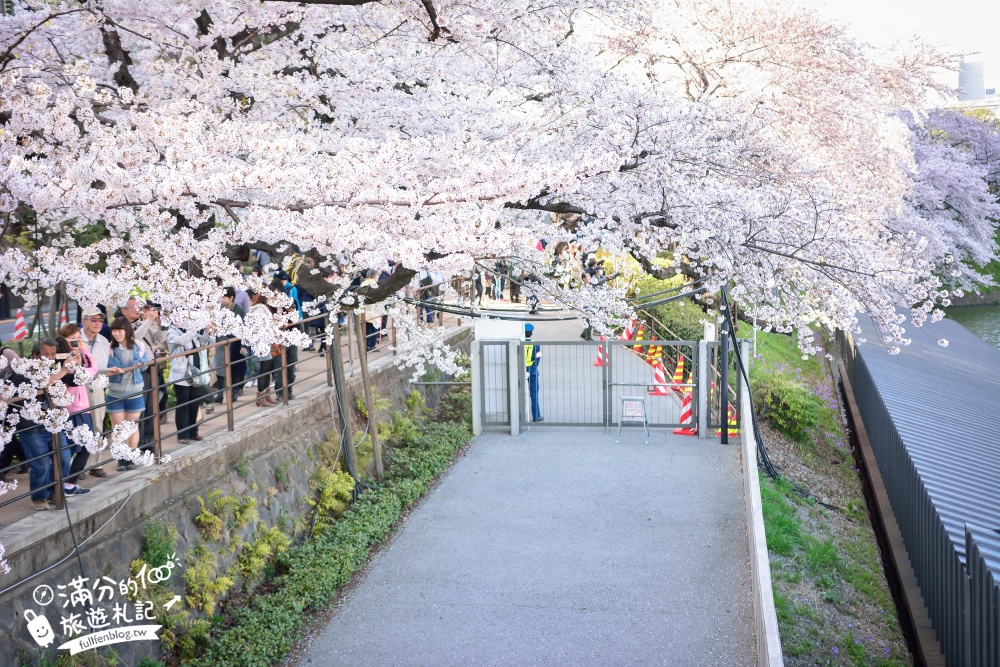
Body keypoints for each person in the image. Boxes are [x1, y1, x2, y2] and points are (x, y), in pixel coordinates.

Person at [13, 338, 91, 510]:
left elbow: (75, 380)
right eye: (45, 354)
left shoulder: (56, 367)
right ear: (35, 355)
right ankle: (39, 497)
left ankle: (54, 491)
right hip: (31, 425)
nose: (50, 358)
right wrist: (63, 369)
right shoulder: (23, 369)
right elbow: (43, 383)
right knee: (41, 464)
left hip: (54, 420)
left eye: (53, 354)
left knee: (63, 458)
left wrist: (77, 365)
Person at [105, 316, 153, 470]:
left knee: (132, 426)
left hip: (135, 391)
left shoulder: (138, 346)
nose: (116, 333)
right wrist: (134, 364)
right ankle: (120, 457)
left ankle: (131, 456)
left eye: (119, 330)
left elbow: (144, 365)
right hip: (115, 392)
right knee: (118, 427)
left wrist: (139, 363)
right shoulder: (110, 349)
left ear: (127, 330)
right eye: (114, 330)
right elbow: (109, 366)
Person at [57, 327, 99, 485]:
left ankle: (69, 483)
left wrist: (82, 354)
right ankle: (64, 485)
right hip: (68, 410)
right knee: (70, 450)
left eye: (78, 338)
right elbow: (89, 372)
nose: (75, 342)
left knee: (86, 447)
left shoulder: (78, 356)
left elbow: (89, 371)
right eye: (71, 338)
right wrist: (83, 354)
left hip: (83, 408)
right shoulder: (60, 359)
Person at [166, 324, 212, 444]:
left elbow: (202, 343)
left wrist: (206, 331)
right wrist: (194, 328)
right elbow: (181, 341)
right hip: (181, 373)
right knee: (183, 403)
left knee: (195, 402)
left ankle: (193, 432)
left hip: (195, 371)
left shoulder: (189, 329)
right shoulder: (171, 332)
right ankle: (182, 434)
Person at [79, 307, 110, 476]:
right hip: (78, 389)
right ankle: (78, 465)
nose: (97, 323)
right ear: (84, 321)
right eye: (93, 320)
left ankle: (95, 463)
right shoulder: (75, 339)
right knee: (80, 426)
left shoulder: (103, 341)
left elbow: (102, 366)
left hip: (97, 387)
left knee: (98, 424)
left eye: (100, 320)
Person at [247, 292, 278, 406]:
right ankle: (261, 397)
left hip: (265, 342)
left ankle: (266, 395)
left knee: (268, 368)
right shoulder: (259, 309)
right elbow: (260, 326)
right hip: (262, 343)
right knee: (265, 368)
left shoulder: (262, 308)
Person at [525, 323, 543, 422]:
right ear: (531, 333)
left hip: (520, 371)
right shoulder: (536, 344)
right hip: (533, 372)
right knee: (534, 393)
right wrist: (531, 371)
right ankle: (536, 416)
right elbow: (538, 359)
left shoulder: (518, 343)